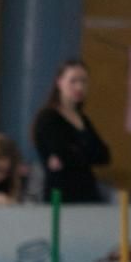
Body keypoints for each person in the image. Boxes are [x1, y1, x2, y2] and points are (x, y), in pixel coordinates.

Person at [31, 59, 110, 203]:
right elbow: (65, 154)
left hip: (88, 193)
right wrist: (83, 153)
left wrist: (76, 153)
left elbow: (104, 155)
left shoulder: (82, 119)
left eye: (83, 81)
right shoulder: (48, 117)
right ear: (59, 82)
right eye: (73, 81)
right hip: (61, 195)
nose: (79, 87)